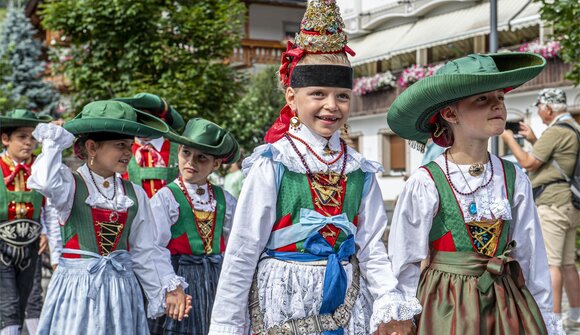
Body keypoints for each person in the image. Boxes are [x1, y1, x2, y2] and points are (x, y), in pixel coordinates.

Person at [209, 1, 421, 334]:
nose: (331, 106)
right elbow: (242, 251)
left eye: (342, 96)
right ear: (292, 98)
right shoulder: (274, 163)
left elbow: (371, 247)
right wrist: (227, 327)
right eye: (318, 93)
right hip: (284, 300)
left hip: (347, 303)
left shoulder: (359, 170)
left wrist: (388, 300)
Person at [386, 52, 564, 334]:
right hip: (445, 305)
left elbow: (531, 255)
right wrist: (402, 314)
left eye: (500, 97)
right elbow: (405, 259)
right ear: (450, 113)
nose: (497, 105)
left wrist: (544, 315)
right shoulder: (426, 181)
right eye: (482, 99)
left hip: (505, 305)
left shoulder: (513, 177)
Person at [27, 100, 192, 335]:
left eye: (129, 145)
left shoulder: (135, 194)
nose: (128, 153)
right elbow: (43, 180)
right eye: (120, 145)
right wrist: (55, 141)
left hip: (121, 292)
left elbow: (145, 250)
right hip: (79, 290)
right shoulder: (71, 185)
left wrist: (169, 288)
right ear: (92, 147)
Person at [151, 118, 239, 334]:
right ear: (179, 152)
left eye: (202, 158)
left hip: (216, 280)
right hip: (181, 279)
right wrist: (171, 286)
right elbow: (154, 246)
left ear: (215, 164)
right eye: (186, 153)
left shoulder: (225, 199)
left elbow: (236, 244)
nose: (191, 162)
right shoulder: (166, 197)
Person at [501, 88, 580, 327]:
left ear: (547, 108)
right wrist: (534, 140)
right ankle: (576, 316)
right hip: (569, 203)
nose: (538, 110)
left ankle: (552, 322)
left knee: (552, 264)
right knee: (567, 263)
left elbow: (527, 162)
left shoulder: (555, 131)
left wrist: (508, 139)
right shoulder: (573, 128)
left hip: (553, 203)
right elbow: (559, 159)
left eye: (539, 106)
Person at [0, 110, 50, 335]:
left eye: (32, 137)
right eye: (22, 136)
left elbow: (50, 208)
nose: (29, 143)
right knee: (8, 303)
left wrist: (45, 232)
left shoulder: (40, 170)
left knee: (33, 299)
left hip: (31, 247)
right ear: (5, 139)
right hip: (2, 248)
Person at [115, 93, 185, 199]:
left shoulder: (179, 150)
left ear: (162, 121)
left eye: (147, 120)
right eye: (137, 120)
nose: (141, 125)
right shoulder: (121, 149)